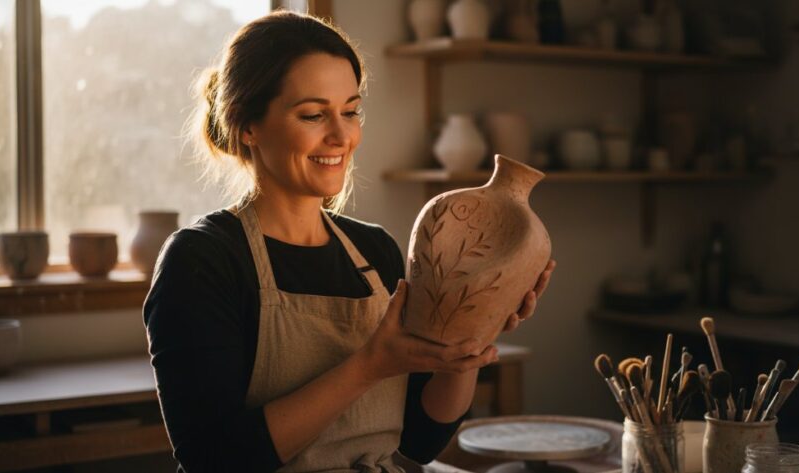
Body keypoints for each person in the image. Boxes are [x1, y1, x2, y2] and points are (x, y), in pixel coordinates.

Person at [143, 10, 556, 473]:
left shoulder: (375, 251)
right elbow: (213, 459)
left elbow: (421, 439)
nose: (341, 136)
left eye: (350, 111)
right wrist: (369, 366)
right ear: (246, 125)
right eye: (313, 115)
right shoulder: (200, 260)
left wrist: (472, 335)